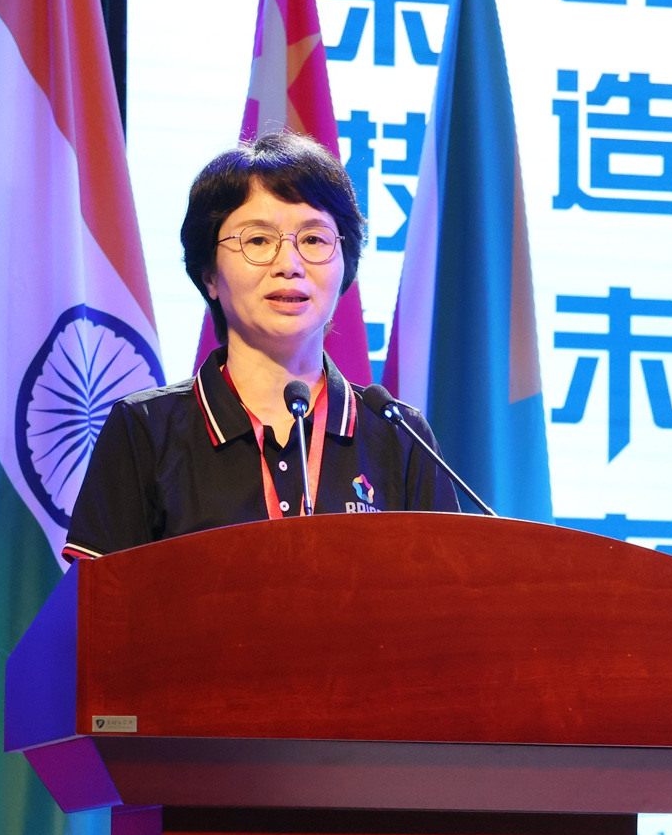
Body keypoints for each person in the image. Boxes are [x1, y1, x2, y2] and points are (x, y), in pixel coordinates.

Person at [62, 132, 459, 561]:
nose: (289, 265)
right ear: (209, 276)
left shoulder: (398, 436)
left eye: (314, 239)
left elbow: (447, 593)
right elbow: (97, 598)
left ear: (346, 267)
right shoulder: (145, 429)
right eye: (257, 241)